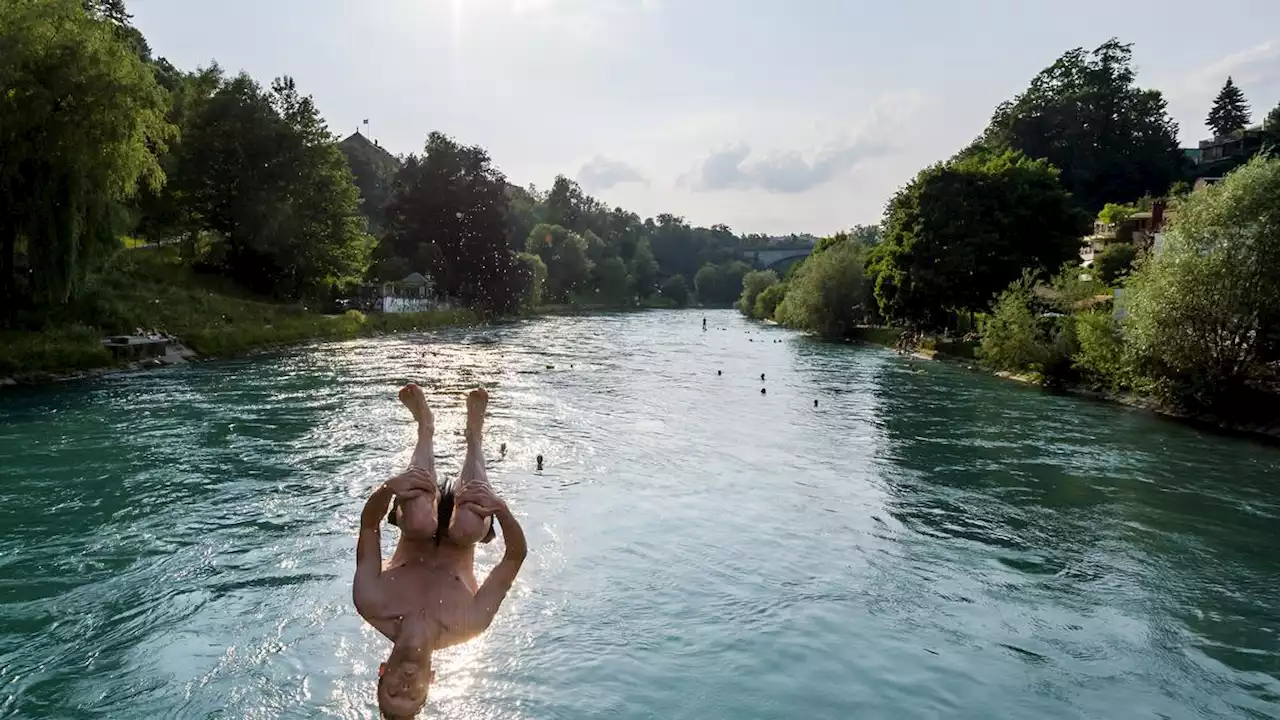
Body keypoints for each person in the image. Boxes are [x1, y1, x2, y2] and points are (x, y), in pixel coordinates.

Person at [353, 385, 527, 719]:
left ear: (381, 672)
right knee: (467, 528)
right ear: (431, 682)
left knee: (419, 520)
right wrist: (501, 510)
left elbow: (370, 527)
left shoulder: (370, 601)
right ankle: (474, 436)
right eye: (412, 695)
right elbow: (514, 556)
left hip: (416, 516)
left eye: (393, 691)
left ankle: (425, 429)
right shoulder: (469, 623)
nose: (405, 686)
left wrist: (390, 488)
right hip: (468, 520)